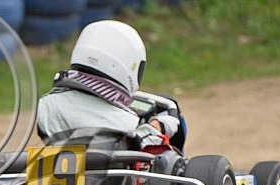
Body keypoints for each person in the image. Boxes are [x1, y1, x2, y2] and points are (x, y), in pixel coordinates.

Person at [36, 20, 180, 149]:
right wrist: (156, 127)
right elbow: (137, 144)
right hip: (109, 177)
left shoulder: (47, 106)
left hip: (54, 174)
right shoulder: (126, 123)